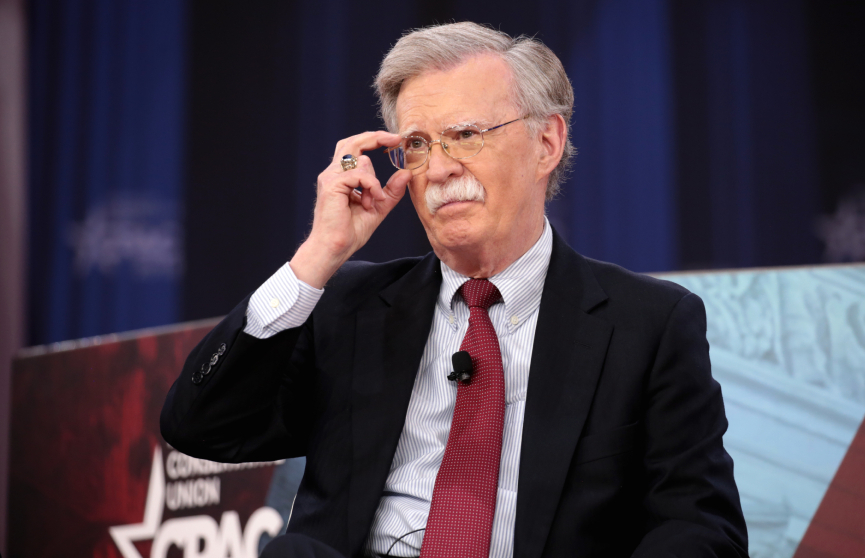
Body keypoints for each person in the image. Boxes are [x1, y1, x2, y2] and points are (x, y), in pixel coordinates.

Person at [161, 22, 748, 558]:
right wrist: (319, 255)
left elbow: (700, 527)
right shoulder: (350, 307)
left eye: (465, 135)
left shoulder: (647, 324)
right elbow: (201, 426)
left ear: (546, 143)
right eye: (417, 144)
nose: (439, 168)